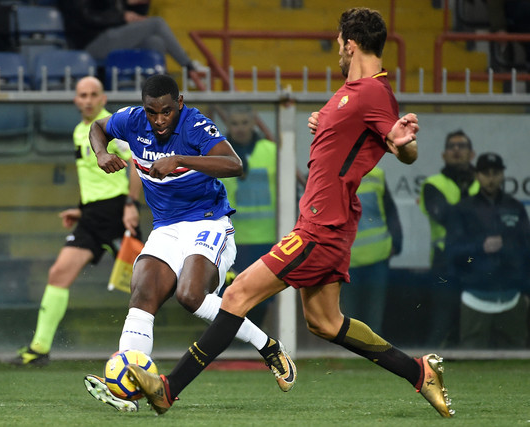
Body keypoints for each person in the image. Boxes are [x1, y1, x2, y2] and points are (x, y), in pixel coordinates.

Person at [126, 7, 454, 418]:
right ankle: (419, 371)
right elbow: (361, 136)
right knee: (326, 322)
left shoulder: (372, 91)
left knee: (237, 294)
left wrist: (404, 142)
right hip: (327, 222)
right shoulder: (350, 93)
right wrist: (326, 124)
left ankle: (169, 389)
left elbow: (402, 146)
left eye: (338, 43)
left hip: (322, 225)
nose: (337, 50)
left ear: (349, 44)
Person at [82, 74, 296, 412]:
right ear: (144, 109)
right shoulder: (131, 121)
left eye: (167, 111)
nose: (159, 120)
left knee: (190, 296)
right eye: (152, 112)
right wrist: (99, 152)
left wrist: (182, 160)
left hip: (207, 221)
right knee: (142, 294)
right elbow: (98, 127)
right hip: (166, 228)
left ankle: (267, 346)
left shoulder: (195, 125)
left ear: (179, 104)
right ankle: (128, 379)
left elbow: (234, 164)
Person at [9, 76, 141, 366]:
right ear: (76, 100)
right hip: (93, 216)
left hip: (116, 214)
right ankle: (39, 350)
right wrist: (82, 211)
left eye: (94, 94)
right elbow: (94, 180)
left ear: (103, 98)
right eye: (83, 94)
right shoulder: (79, 131)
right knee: (58, 273)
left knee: (153, 282)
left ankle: (218, 278)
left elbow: (135, 165)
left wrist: (131, 205)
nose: (89, 99)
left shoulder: (112, 126)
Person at [446, 152, 530, 349]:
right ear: (477, 175)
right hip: (475, 296)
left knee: (515, 363)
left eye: (495, 173)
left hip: (511, 296)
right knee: (472, 360)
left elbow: (527, 250)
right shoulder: (463, 209)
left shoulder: (515, 207)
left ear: (502, 175)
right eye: (486, 173)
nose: (491, 178)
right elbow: (452, 251)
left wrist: (526, 291)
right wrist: (480, 246)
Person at [419, 129, 479, 348]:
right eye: (451, 146)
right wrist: (475, 211)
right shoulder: (433, 184)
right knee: (441, 321)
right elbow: (444, 216)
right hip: (445, 262)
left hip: (476, 260)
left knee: (474, 321)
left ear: (472, 154)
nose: (456, 150)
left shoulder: (481, 182)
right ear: (444, 155)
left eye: (462, 146)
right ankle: (426, 370)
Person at [219, 104, 278, 326]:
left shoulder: (271, 151)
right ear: (228, 125)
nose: (240, 128)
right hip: (233, 239)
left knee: (261, 297)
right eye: (235, 123)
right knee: (230, 294)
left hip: (266, 238)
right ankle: (233, 340)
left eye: (245, 122)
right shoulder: (219, 152)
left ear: (253, 123)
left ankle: (252, 339)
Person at [57, 0, 201, 76]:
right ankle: (189, 67)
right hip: (90, 42)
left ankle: (156, 92)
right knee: (156, 23)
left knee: (156, 42)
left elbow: (108, 9)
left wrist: (130, 5)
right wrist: (122, 17)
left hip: (110, 35)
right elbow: (85, 17)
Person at [341, 166, 402, 335]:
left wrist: (396, 243)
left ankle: (374, 357)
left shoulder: (376, 174)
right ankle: (354, 356)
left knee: (373, 320)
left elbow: (390, 210)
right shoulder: (331, 174)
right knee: (350, 321)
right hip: (348, 262)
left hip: (376, 257)